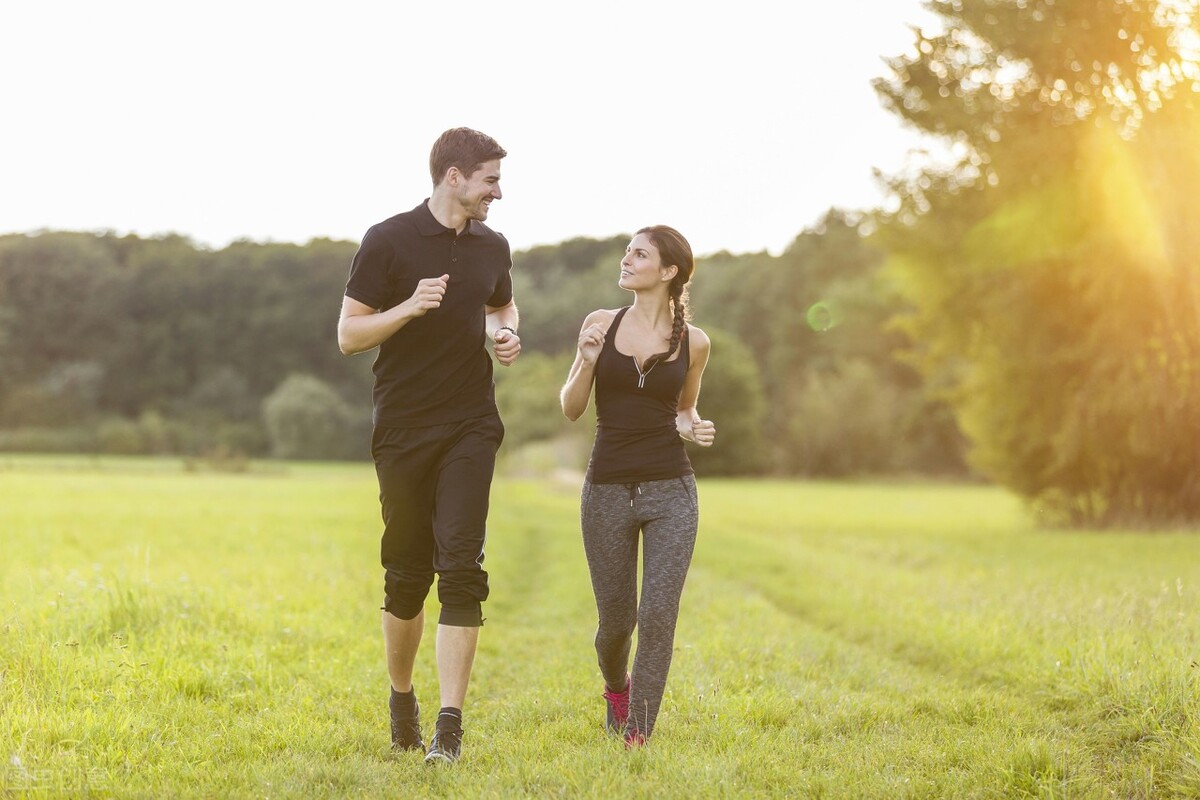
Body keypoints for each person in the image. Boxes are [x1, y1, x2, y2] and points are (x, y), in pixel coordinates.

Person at [337, 127, 520, 765]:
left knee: (462, 566)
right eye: (491, 180)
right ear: (455, 177)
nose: (498, 192)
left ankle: (450, 726)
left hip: (472, 420)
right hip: (404, 427)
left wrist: (504, 335)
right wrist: (409, 308)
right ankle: (402, 699)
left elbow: (503, 306)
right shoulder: (387, 241)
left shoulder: (492, 246)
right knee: (407, 573)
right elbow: (350, 336)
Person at [559, 225, 716, 747]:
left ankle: (637, 737)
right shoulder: (601, 323)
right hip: (606, 489)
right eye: (627, 251)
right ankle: (615, 686)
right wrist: (585, 359)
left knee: (657, 615)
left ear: (668, 272)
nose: (626, 259)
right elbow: (572, 408)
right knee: (616, 624)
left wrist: (696, 425)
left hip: (672, 491)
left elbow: (683, 410)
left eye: (639, 253)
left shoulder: (694, 342)